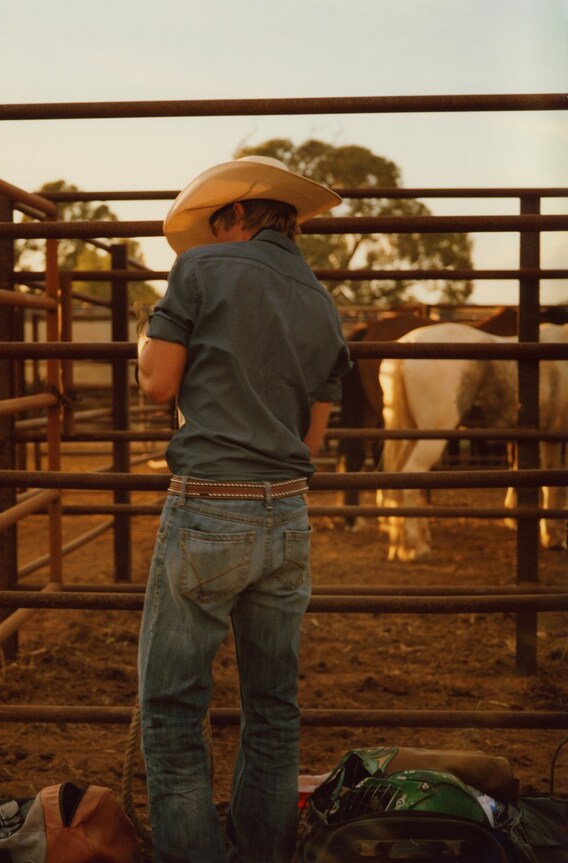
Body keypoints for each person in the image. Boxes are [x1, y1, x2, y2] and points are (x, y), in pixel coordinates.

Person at [137, 155, 352, 863]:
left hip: (210, 507)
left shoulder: (202, 270)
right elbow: (313, 437)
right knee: (273, 707)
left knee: (172, 710)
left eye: (211, 224)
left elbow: (158, 384)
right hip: (287, 514)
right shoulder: (322, 302)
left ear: (234, 216)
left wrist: (152, 338)